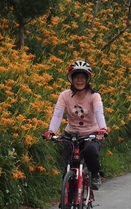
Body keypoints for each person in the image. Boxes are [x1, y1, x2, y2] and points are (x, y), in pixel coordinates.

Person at [44, 60, 108, 189]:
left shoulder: (94, 96)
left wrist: (102, 129)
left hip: (92, 133)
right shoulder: (64, 95)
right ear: (71, 79)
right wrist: (51, 131)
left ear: (87, 79)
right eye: (76, 77)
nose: (79, 80)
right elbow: (57, 114)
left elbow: (99, 112)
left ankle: (95, 174)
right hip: (71, 134)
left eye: (83, 77)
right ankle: (67, 202)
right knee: (69, 165)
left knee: (90, 150)